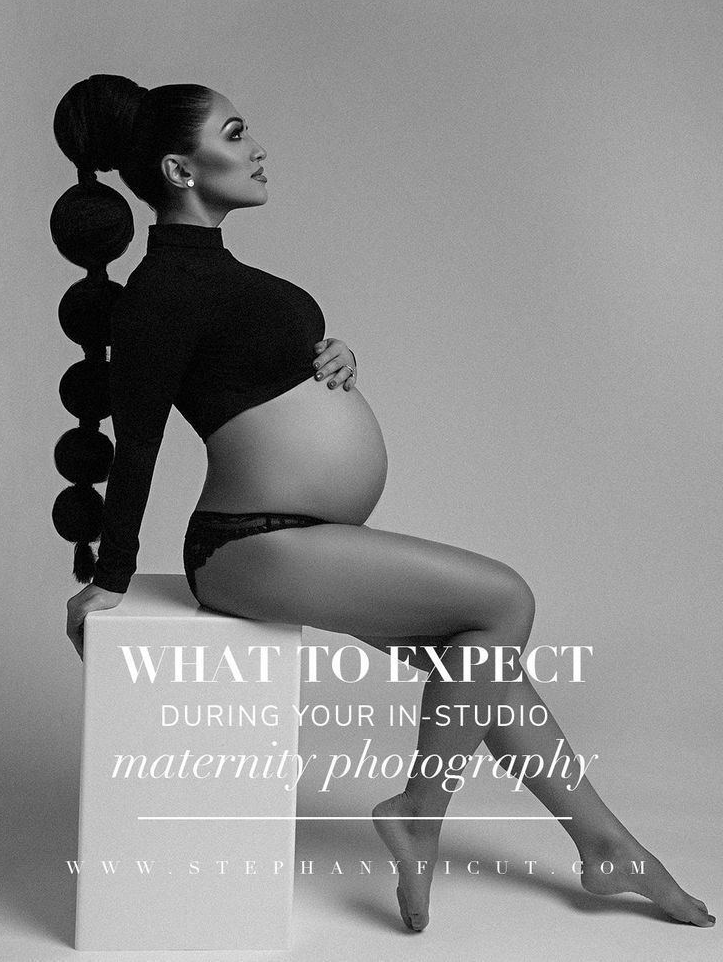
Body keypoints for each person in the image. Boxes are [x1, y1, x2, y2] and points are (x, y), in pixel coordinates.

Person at [56, 75, 713, 934]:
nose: (259, 148)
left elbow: (250, 362)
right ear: (182, 168)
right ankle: (418, 814)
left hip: (307, 533)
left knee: (477, 661)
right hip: (249, 546)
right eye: (237, 130)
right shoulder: (158, 292)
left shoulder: (221, 275)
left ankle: (606, 846)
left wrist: (328, 355)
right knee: (503, 599)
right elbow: (137, 437)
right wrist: (104, 578)